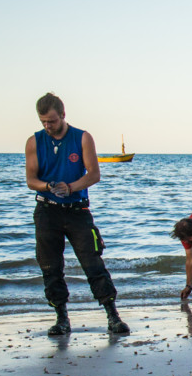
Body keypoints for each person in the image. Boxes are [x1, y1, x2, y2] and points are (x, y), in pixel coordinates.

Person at [24, 92, 129, 336]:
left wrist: (70, 187)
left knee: (93, 262)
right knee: (50, 267)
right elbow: (31, 180)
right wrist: (48, 186)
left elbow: (94, 174)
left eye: (52, 121)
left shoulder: (82, 138)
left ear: (63, 115)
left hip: (77, 210)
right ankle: (61, 319)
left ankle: (113, 316)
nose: (48, 126)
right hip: (46, 211)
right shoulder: (34, 142)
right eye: (43, 122)